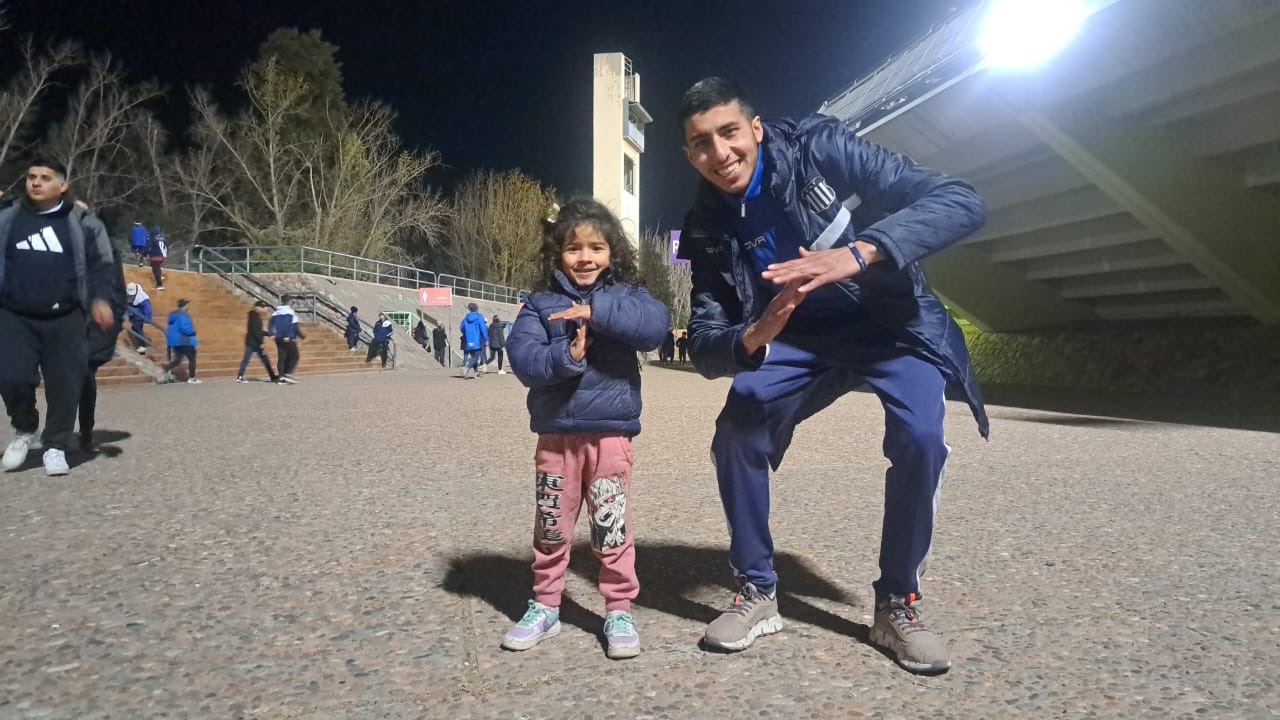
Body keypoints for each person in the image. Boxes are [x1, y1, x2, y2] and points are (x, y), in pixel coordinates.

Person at [675, 78, 988, 674]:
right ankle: (758, 590)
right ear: (688, 154)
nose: (720, 153)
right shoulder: (706, 225)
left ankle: (897, 604)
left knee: (922, 438)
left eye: (729, 132)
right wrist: (751, 336)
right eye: (701, 143)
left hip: (890, 323)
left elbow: (960, 200)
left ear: (756, 128)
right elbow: (705, 338)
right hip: (797, 339)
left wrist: (863, 252)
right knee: (737, 432)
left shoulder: (822, 147)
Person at [504, 198, 669, 660]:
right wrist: (566, 359)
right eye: (574, 248)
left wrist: (598, 314)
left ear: (612, 253)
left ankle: (618, 608)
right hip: (555, 435)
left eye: (597, 247)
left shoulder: (629, 296)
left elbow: (655, 327)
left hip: (610, 436)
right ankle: (545, 604)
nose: (585, 257)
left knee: (609, 526)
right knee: (552, 526)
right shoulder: (539, 304)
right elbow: (524, 360)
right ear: (558, 254)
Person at [0, 159, 116, 476]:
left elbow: (102, 265)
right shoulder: (8, 219)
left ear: (62, 185)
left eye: (45, 178)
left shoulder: (82, 222)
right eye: (31, 176)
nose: (36, 182)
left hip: (66, 317)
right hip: (14, 315)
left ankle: (56, 445)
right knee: (11, 378)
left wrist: (101, 300)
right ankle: (25, 429)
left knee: (65, 385)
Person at [79, 247, 127, 451]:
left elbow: (116, 283)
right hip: (54, 314)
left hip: (93, 322)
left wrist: (115, 313)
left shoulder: (103, 243)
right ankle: (29, 425)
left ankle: (81, 431)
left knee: (84, 374)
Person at [237, 300, 279, 384]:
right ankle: (240, 376)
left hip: (252, 342)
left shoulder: (254, 316)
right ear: (259, 308)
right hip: (254, 343)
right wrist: (261, 343)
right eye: (265, 308)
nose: (266, 310)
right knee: (248, 359)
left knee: (263, 359)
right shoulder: (255, 317)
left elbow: (258, 331)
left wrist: (268, 334)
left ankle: (272, 376)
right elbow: (257, 332)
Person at [161, 298, 200, 383]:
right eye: (188, 305)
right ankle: (192, 378)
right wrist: (193, 332)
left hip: (174, 341)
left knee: (178, 359)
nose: (188, 307)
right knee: (192, 357)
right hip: (184, 340)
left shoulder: (173, 315)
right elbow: (185, 328)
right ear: (185, 306)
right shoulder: (183, 315)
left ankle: (166, 371)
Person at [459, 302, 488, 379]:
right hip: (477, 340)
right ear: (477, 308)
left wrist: (466, 333)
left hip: (468, 340)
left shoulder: (465, 318)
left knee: (473, 356)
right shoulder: (479, 317)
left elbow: (461, 328)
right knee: (476, 357)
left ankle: (476, 373)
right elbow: (483, 328)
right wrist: (486, 338)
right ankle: (466, 368)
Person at [124, 282, 153, 353]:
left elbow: (148, 310)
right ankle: (145, 343)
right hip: (132, 311)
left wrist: (147, 320)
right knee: (135, 328)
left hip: (139, 314)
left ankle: (142, 346)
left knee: (137, 328)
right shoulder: (126, 292)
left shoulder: (143, 298)